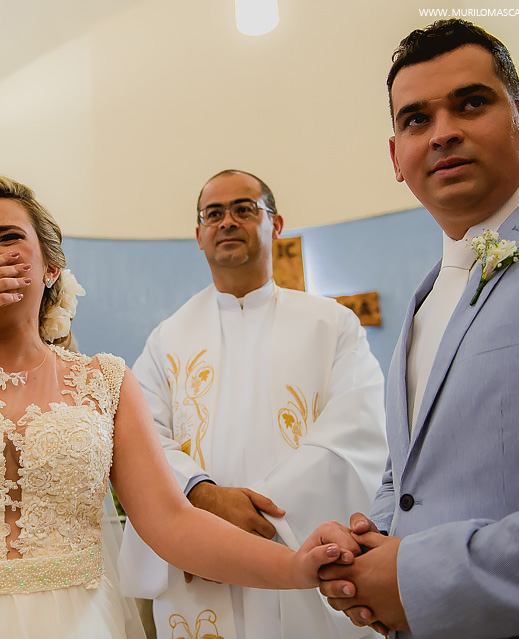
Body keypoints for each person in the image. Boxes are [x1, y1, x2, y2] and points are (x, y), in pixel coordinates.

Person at [0, 175, 361, 639]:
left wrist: (294, 567)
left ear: (50, 269)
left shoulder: (105, 381)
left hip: (70, 623)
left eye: (8, 236)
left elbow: (171, 522)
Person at [319, 19, 519, 638]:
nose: (443, 132)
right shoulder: (426, 297)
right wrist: (369, 545)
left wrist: (418, 579)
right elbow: (407, 473)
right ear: (396, 157)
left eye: (472, 103)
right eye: (416, 119)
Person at [118, 169, 388, 638]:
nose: (227, 222)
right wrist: (201, 500)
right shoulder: (167, 339)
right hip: (199, 561)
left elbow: (356, 431)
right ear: (199, 234)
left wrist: (259, 515)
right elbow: (140, 437)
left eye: (244, 209)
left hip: (302, 549)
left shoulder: (332, 325)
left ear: (275, 225)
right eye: (213, 214)